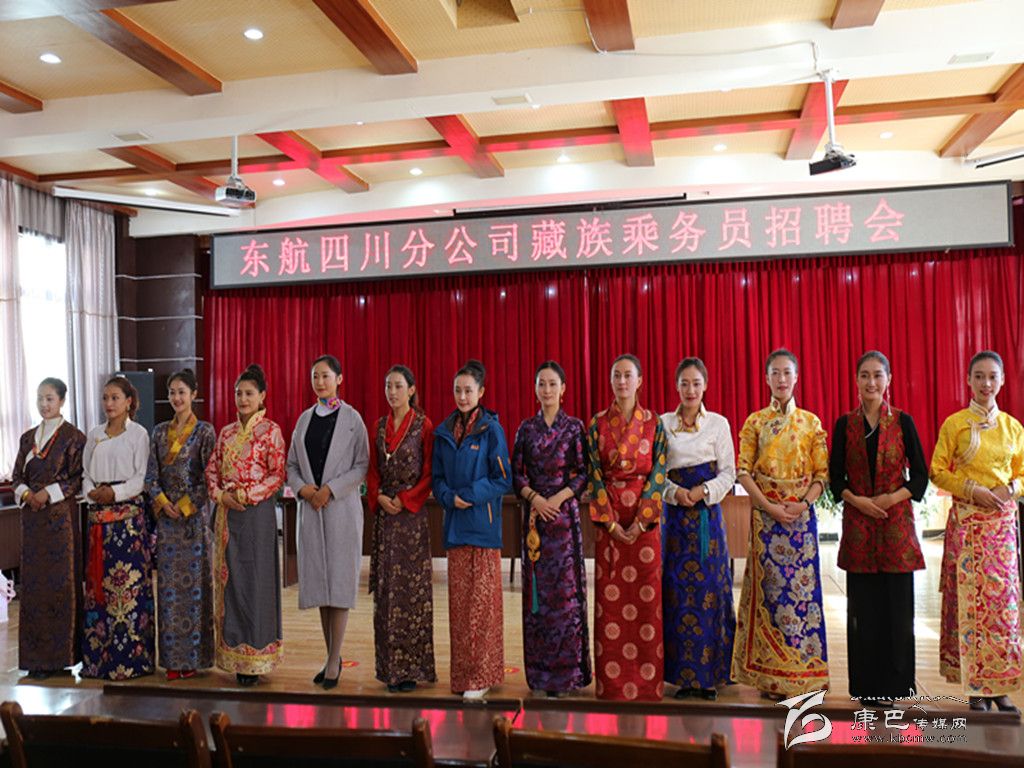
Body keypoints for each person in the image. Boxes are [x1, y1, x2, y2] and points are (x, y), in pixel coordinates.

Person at [829, 351, 928, 707]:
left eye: (877, 375)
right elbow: (835, 478)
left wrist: (890, 499)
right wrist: (858, 501)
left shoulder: (903, 422)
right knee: (863, 611)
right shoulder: (845, 424)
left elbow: (920, 476)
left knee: (898, 611)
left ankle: (896, 686)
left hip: (895, 526)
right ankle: (866, 686)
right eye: (865, 375)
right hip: (859, 527)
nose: (871, 382)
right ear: (856, 380)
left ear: (888, 380)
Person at [731, 348, 829, 699]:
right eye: (775, 372)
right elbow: (743, 471)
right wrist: (769, 507)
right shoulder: (755, 422)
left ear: (796, 377)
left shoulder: (811, 422)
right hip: (766, 521)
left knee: (802, 598)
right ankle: (771, 677)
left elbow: (821, 475)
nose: (782, 379)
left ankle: (802, 674)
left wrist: (803, 503)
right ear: (767, 378)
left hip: (801, 520)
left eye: (787, 372)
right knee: (771, 597)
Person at [931, 350, 1024, 713]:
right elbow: (938, 471)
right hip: (968, 527)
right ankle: (976, 689)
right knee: (970, 607)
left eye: (992, 377)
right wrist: (973, 490)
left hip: (1001, 528)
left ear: (1002, 381)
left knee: (1004, 609)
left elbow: (1022, 473)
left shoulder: (1013, 428)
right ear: (968, 380)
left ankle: (1000, 686)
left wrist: (1010, 489)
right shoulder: (955, 425)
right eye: (979, 376)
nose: (986, 383)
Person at [587, 354, 668, 701]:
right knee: (611, 606)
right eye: (616, 376)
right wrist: (609, 521)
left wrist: (641, 520)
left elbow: (659, 472)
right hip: (609, 523)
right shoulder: (597, 423)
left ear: (639, 381)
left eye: (627, 375)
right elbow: (593, 473)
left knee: (647, 604)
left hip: (644, 525)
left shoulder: (654, 423)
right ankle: (612, 685)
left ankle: (648, 685)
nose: (622, 381)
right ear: (611, 381)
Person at [286, 354, 369, 690]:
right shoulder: (304, 419)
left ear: (339, 379)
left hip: (340, 510)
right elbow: (292, 465)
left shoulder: (352, 419)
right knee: (321, 587)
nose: (320, 382)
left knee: (339, 587)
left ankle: (335, 660)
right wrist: (304, 489)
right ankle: (330, 655)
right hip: (311, 509)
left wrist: (330, 490)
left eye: (326, 376)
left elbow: (361, 465)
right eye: (315, 376)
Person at [432, 359, 512, 699]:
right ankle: (464, 676)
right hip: (455, 529)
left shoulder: (491, 430)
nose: (462, 396)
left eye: (468, 390)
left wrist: (469, 495)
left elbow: (503, 479)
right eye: (458, 390)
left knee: (483, 608)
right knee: (460, 610)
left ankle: (482, 676)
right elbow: (437, 479)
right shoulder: (443, 432)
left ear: (481, 392)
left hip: (483, 529)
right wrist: (448, 497)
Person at [512, 360, 592, 697]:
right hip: (536, 523)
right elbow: (517, 474)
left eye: (552, 384)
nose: (546, 390)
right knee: (538, 600)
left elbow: (584, 472)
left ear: (563, 389)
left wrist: (558, 498)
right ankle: (541, 675)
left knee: (567, 599)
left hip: (564, 520)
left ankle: (569, 675)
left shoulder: (574, 428)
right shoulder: (526, 429)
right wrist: (535, 499)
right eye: (541, 384)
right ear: (535, 389)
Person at [660, 357, 737, 701]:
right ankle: (683, 677)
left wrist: (703, 491)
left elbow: (729, 473)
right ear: (676, 386)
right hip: (675, 520)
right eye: (684, 383)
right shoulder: (663, 424)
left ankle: (710, 677)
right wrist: (675, 493)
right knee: (677, 594)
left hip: (707, 519)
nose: (690, 390)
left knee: (711, 591)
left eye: (696, 383)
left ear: (705, 385)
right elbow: (656, 473)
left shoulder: (718, 424)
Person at [206, 364, 286, 687]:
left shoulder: (270, 431)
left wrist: (246, 495)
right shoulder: (225, 433)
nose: (242, 399)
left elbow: (277, 475)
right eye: (238, 393)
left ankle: (255, 655)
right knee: (231, 582)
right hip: (228, 515)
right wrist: (221, 496)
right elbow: (212, 471)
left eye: (249, 393)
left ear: (262, 396)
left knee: (255, 582)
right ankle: (233, 654)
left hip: (256, 516)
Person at [366, 365, 437, 693]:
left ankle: (411, 670)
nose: (392, 392)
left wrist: (405, 499)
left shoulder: (424, 425)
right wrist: (378, 495)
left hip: (411, 519)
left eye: (398, 386)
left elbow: (429, 472)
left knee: (411, 593)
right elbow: (372, 469)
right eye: (388, 386)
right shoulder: (379, 427)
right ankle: (389, 669)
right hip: (385, 517)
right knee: (386, 594)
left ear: (411, 390)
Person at [11, 378, 87, 680]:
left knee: (60, 585)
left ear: (62, 401)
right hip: (32, 522)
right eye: (40, 398)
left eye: (50, 399)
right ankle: (36, 659)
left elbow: (78, 478)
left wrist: (49, 493)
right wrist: (28, 494)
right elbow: (17, 477)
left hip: (60, 521)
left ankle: (62, 657)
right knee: (34, 588)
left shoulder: (74, 437)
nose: (44, 404)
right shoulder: (27, 438)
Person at [145, 367, 217, 680]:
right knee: (169, 591)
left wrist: (185, 506)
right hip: (167, 524)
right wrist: (163, 503)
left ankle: (194, 659)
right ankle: (172, 660)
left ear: (194, 395)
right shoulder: (159, 432)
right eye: (172, 392)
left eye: (182, 392)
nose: (176, 397)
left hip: (193, 523)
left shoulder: (205, 432)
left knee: (195, 589)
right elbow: (151, 476)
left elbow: (209, 477)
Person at [81, 376, 154, 679]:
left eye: (115, 398)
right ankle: (98, 661)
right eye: (105, 398)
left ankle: (132, 661)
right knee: (97, 591)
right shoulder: (94, 434)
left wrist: (114, 493)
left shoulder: (138, 434)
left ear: (128, 402)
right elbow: (85, 473)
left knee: (127, 592)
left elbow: (141, 478)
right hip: (98, 521)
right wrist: (92, 493)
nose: (109, 404)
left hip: (128, 526)